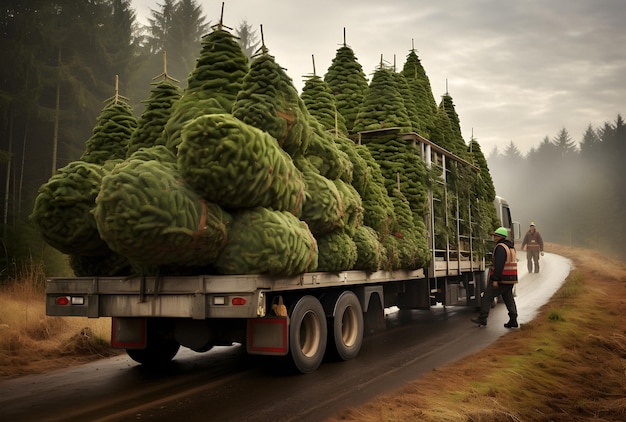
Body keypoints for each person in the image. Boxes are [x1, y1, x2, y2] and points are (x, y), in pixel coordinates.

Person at [472, 227, 519, 328]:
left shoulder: (500, 247)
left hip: (502, 278)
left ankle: (482, 318)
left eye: (495, 236)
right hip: (511, 278)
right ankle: (513, 319)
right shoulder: (510, 247)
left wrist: (495, 280)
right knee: (508, 298)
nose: (494, 237)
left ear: (499, 237)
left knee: (487, 296)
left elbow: (499, 265)